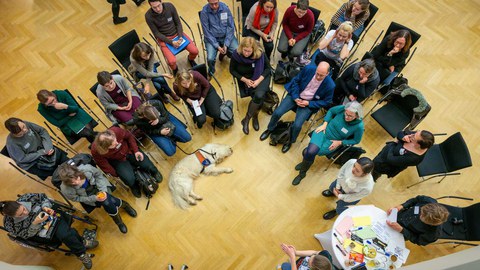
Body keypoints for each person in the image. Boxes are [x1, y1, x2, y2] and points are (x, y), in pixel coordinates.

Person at [1, 193, 97, 269]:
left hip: (53, 219)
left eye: (24, 209)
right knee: (68, 233)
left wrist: (46, 207)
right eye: (21, 215)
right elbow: (26, 235)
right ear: (12, 217)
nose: (26, 212)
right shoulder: (10, 224)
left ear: (19, 203)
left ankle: (81, 253)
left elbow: (44, 198)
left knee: (65, 235)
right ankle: (82, 243)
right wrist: (35, 224)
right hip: (41, 233)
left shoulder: (26, 197)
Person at [260, 62, 335, 153]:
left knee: (297, 125)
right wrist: (295, 97)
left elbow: (326, 101)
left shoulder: (330, 85)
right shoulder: (308, 69)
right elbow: (296, 81)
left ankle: (290, 141)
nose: (318, 77)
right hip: (295, 95)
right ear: (316, 69)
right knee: (277, 112)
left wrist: (308, 103)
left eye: (321, 75)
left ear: (327, 74)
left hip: (308, 103)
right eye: (317, 73)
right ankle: (270, 129)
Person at [292, 101, 364, 185]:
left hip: (332, 142)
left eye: (350, 116)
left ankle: (304, 165)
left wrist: (340, 142)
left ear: (357, 115)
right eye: (346, 113)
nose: (346, 117)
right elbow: (331, 111)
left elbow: (356, 140)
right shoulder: (342, 109)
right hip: (323, 131)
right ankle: (302, 173)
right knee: (310, 152)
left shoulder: (359, 126)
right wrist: (325, 123)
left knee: (307, 152)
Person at [56, 163, 137, 234]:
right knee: (108, 202)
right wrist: (94, 198)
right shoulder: (65, 189)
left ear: (77, 172)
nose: (77, 182)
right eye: (72, 183)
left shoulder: (86, 168)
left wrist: (103, 191)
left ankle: (119, 222)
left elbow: (99, 175)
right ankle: (125, 206)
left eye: (77, 178)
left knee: (107, 201)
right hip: (89, 197)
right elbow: (76, 198)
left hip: (101, 187)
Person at [91, 127, 163, 198]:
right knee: (129, 179)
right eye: (114, 144)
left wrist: (136, 151)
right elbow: (103, 164)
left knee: (148, 165)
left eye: (116, 140)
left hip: (130, 151)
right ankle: (134, 186)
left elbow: (129, 136)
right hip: (118, 161)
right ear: (106, 148)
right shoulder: (96, 150)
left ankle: (154, 172)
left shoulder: (115, 131)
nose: (117, 143)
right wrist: (117, 174)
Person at [230, 37, 272, 135]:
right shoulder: (236, 55)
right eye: (245, 50)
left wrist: (257, 81)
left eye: (249, 51)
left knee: (258, 96)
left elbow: (268, 69)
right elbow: (232, 70)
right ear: (241, 48)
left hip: (261, 77)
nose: (246, 53)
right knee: (259, 97)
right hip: (245, 79)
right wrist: (245, 80)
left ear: (254, 49)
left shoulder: (260, 54)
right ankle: (254, 116)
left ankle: (247, 119)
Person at [146, 0, 199, 74]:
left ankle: (190, 60)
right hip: (164, 39)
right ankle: (175, 69)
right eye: (154, 7)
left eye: (159, 6)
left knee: (195, 51)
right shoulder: (148, 16)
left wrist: (180, 36)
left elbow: (178, 23)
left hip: (177, 35)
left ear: (161, 2)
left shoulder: (170, 6)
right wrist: (171, 42)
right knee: (171, 61)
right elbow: (156, 33)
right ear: (150, 6)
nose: (158, 9)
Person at [200, 0, 239, 76]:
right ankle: (211, 71)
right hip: (212, 38)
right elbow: (207, 32)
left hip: (226, 36)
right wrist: (217, 46)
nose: (214, 6)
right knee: (210, 58)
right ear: (208, 1)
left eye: (216, 3)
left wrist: (226, 44)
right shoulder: (204, 12)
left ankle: (228, 56)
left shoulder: (225, 8)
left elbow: (230, 26)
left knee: (237, 52)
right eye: (211, 4)